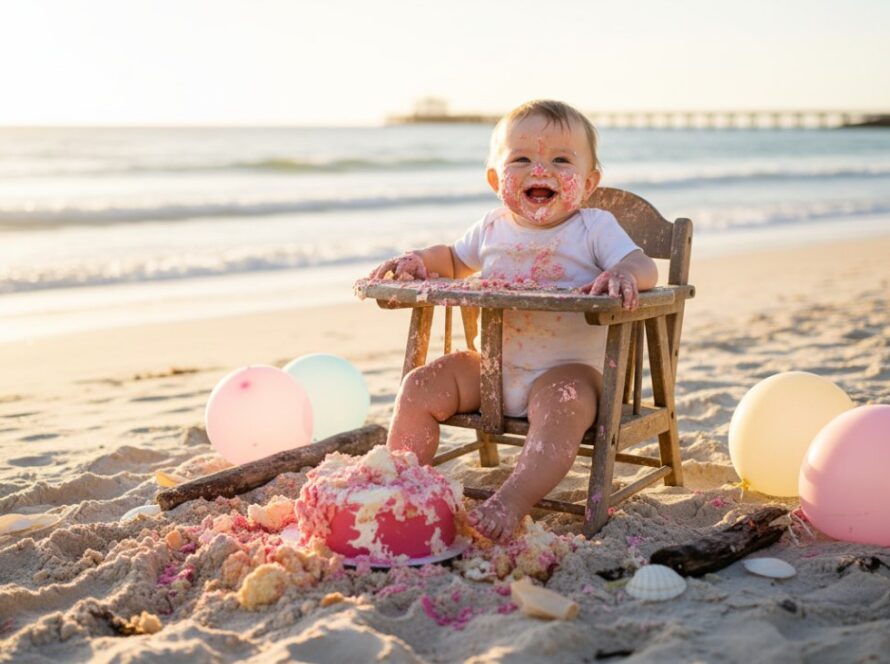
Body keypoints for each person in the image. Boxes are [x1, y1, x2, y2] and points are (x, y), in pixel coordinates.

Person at [369, 100, 658, 541]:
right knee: (419, 386)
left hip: (568, 374)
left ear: (590, 181)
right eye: (521, 159)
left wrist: (623, 273)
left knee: (563, 403)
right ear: (494, 179)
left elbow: (643, 265)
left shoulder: (594, 227)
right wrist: (419, 261)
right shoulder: (490, 227)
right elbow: (451, 258)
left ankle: (512, 500)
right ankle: (406, 485)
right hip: (492, 370)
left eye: (561, 160)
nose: (539, 169)